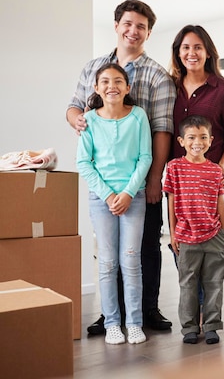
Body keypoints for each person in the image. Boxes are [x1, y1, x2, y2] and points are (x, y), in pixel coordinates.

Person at [67, 0, 176, 335]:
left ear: (148, 33)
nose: (133, 31)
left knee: (144, 247)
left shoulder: (157, 75)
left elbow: (162, 130)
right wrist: (79, 121)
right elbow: (73, 108)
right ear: (117, 25)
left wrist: (153, 178)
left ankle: (146, 311)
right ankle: (110, 316)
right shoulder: (93, 68)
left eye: (141, 26)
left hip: (140, 181)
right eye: (128, 23)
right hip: (104, 184)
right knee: (111, 254)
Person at [76, 63, 152, 344]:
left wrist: (129, 193)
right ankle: (112, 324)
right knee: (107, 263)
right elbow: (83, 163)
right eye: (105, 81)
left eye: (119, 81)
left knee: (131, 261)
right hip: (101, 200)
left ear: (128, 87)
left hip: (134, 197)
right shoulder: (89, 121)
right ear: (96, 88)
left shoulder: (138, 117)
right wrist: (109, 195)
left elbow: (145, 157)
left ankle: (134, 322)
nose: (112, 86)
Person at [163, 115, 224, 345]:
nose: (196, 142)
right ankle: (189, 327)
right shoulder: (174, 168)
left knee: (214, 283)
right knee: (188, 284)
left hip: (214, 236)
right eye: (191, 137)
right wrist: (172, 233)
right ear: (181, 141)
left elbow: (221, 204)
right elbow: (170, 202)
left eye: (202, 137)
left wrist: (223, 234)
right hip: (185, 236)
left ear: (211, 140)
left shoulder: (216, 171)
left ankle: (211, 326)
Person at [169, 24, 224, 204]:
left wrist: (220, 168)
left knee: (213, 232)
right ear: (178, 53)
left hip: (215, 175)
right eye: (185, 47)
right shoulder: (169, 88)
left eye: (198, 47)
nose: (191, 53)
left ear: (208, 52)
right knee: (181, 232)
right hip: (181, 179)